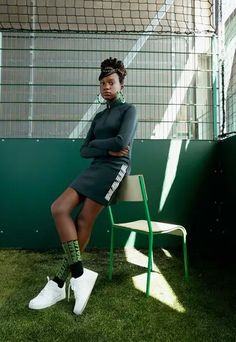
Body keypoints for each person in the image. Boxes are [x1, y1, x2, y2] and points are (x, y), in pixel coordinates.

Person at [28, 57, 137, 315]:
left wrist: (106, 147)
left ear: (121, 85)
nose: (106, 87)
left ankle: (57, 284)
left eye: (111, 82)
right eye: (102, 84)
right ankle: (79, 276)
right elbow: (84, 150)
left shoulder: (129, 110)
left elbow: (123, 140)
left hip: (115, 169)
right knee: (59, 208)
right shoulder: (99, 117)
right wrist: (107, 147)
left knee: (83, 223)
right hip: (96, 166)